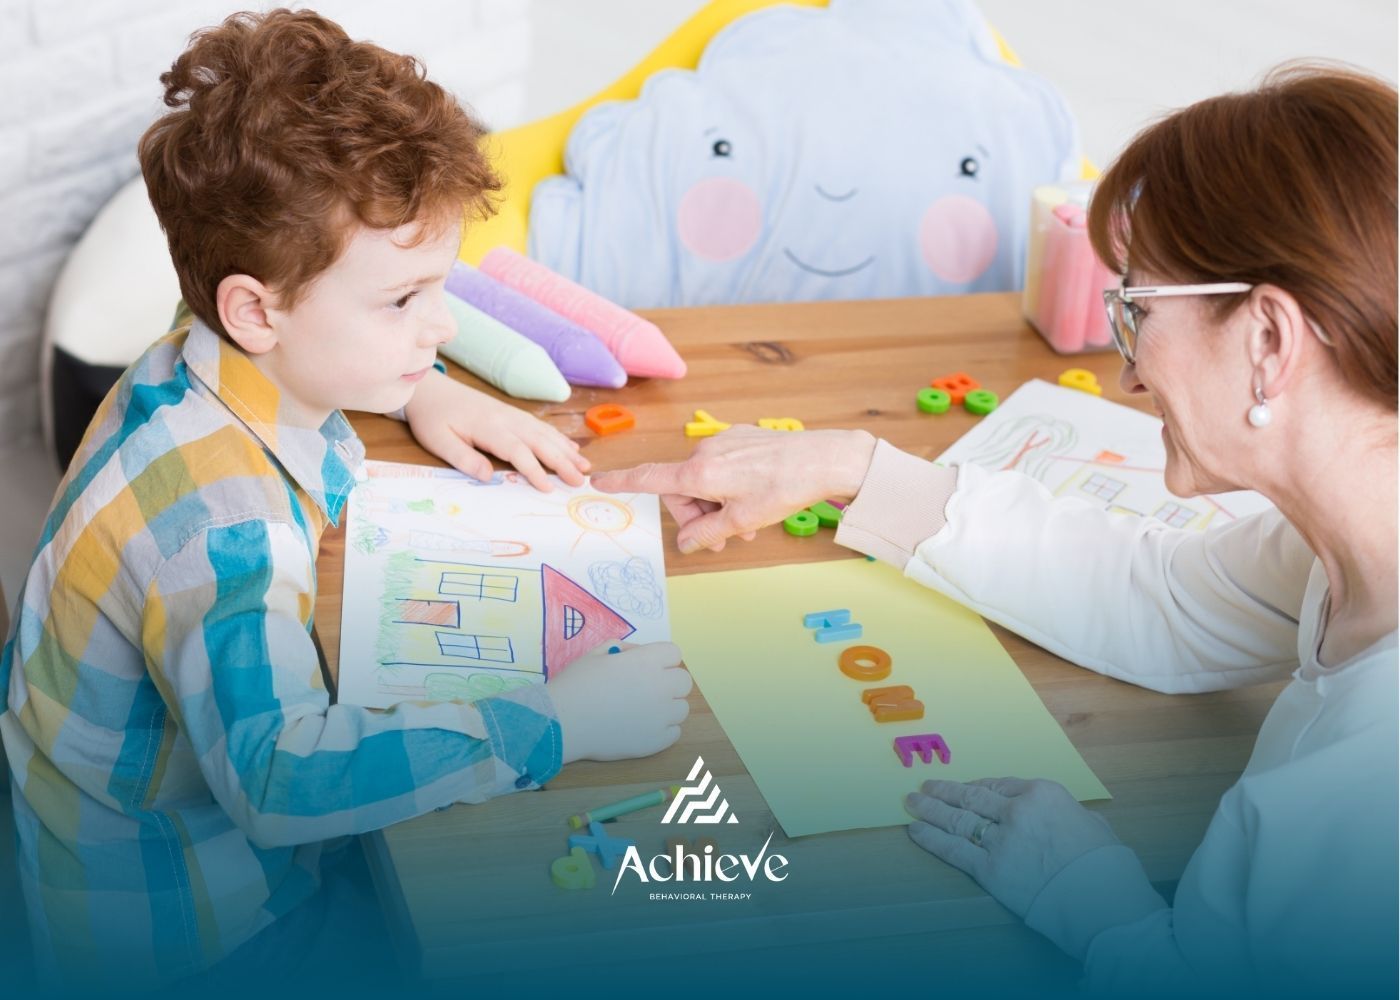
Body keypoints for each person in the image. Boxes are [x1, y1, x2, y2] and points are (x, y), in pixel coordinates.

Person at [593, 65, 1397, 995]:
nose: (1128, 373)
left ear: (1269, 340)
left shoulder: (1367, 783)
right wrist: (851, 469)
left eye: (1134, 312)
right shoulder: (1351, 531)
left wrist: (1096, 904)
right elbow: (1167, 600)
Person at [0, 9, 691, 991]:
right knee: (503, 930)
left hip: (94, 824)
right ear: (257, 308)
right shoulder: (220, 531)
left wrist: (426, 385)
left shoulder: (198, 348)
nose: (441, 324)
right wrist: (554, 723)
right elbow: (283, 780)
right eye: (402, 300)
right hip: (183, 931)